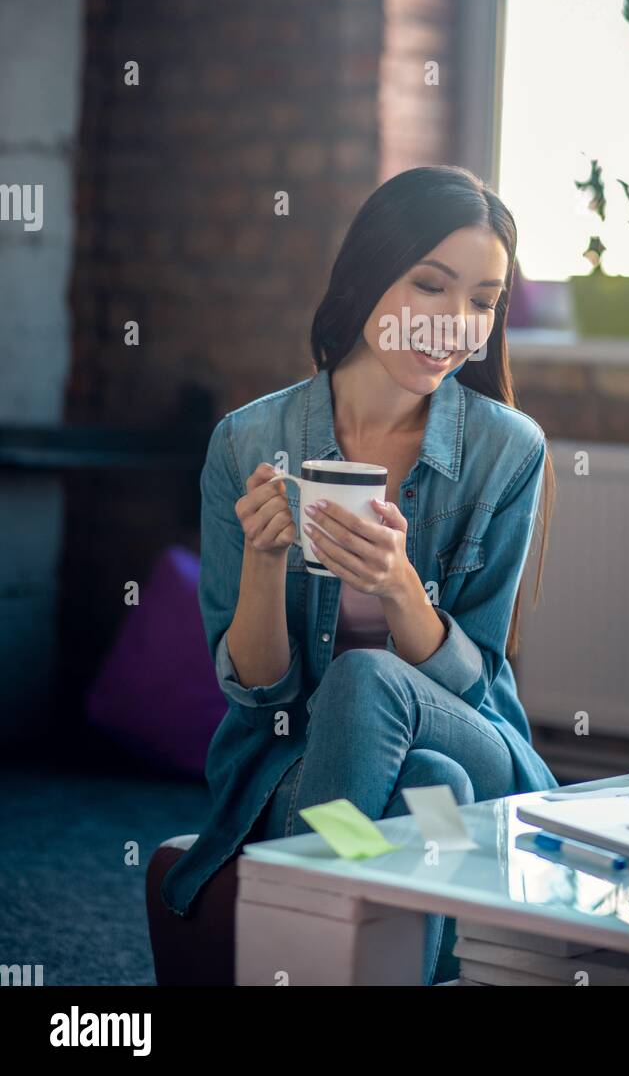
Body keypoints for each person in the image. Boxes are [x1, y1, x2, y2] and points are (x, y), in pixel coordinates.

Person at [161, 164, 559, 985]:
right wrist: (266, 562)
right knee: (427, 787)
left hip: (481, 746)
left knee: (374, 683)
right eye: (430, 285)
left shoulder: (507, 450)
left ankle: (296, 950)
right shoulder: (247, 442)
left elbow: (478, 686)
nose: (454, 324)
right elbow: (259, 698)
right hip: (295, 762)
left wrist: (399, 588)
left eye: (482, 301)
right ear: (369, 274)